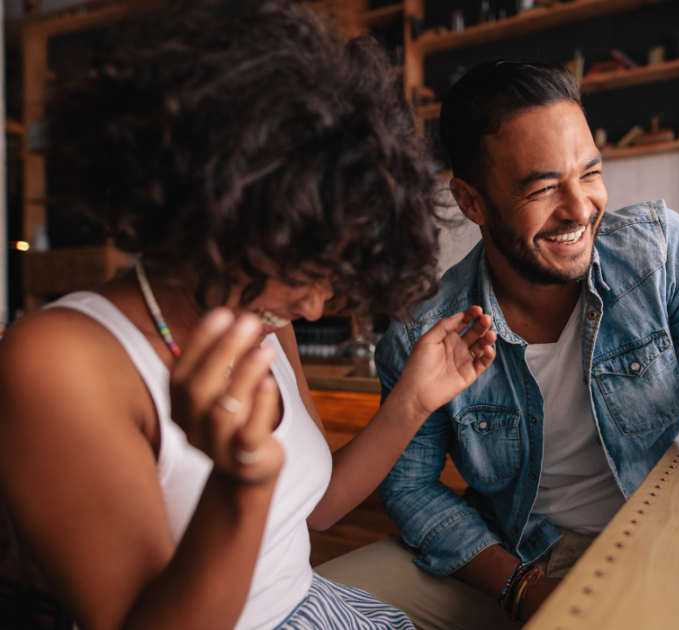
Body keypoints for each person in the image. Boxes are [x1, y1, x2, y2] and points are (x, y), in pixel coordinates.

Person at [316, 59, 679, 628]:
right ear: (472, 201)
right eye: (544, 186)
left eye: (589, 173)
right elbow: (410, 489)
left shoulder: (659, 254)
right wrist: (520, 587)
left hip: (660, 534)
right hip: (515, 552)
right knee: (307, 605)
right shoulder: (424, 328)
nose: (580, 209)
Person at [0, 5, 499, 630]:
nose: (315, 306)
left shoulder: (265, 317)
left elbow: (316, 510)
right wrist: (240, 486)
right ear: (212, 206)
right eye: (302, 267)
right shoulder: (60, 363)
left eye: (332, 274)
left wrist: (413, 399)